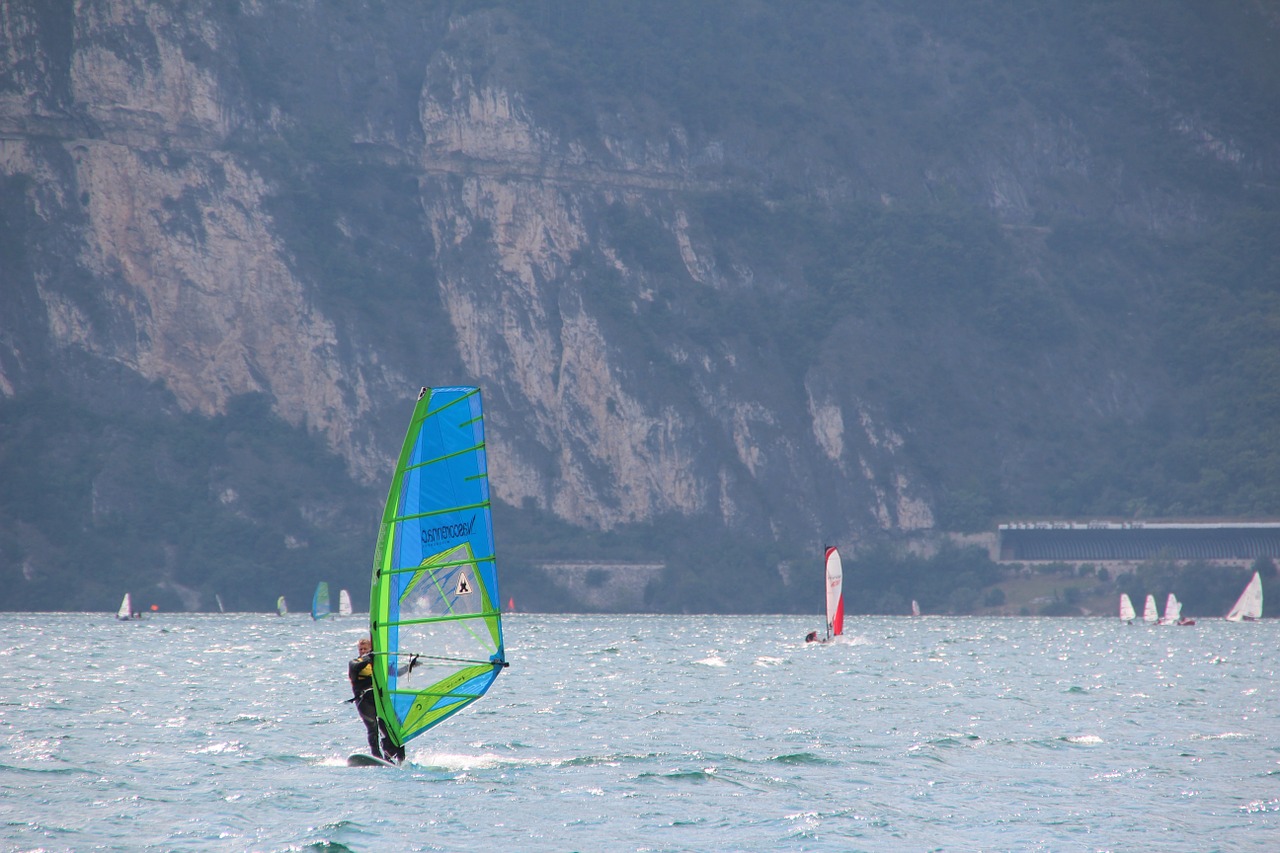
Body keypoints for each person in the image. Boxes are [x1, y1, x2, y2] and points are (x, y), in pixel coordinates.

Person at [348, 636, 417, 763]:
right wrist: (370, 656)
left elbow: (396, 673)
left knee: (392, 727)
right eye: (360, 649)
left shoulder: (379, 664)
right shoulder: (354, 662)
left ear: (371, 648)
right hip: (364, 700)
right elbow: (357, 667)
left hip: (379, 699)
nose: (362, 651)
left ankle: (396, 757)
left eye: (365, 649)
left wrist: (410, 666)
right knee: (372, 727)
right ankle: (376, 756)